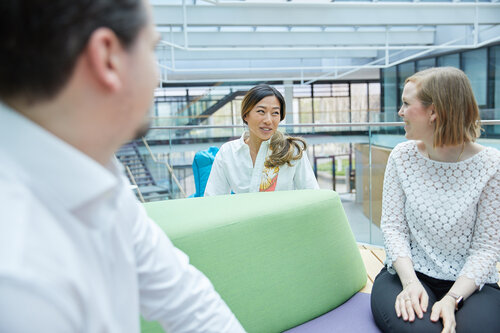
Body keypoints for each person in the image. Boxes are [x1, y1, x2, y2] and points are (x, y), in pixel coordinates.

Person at [0, 1, 245, 332]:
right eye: (152, 48)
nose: (157, 76)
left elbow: (189, 303)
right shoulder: (19, 275)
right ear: (108, 57)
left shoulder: (97, 174)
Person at [370, 67, 500, 333]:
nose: (400, 112)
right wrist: (409, 283)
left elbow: (487, 248)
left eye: (407, 103)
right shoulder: (401, 157)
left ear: (434, 112)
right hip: (405, 274)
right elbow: (393, 228)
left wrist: (452, 298)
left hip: (471, 285)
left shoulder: (491, 165)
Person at [204, 84, 319, 196]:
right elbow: (213, 198)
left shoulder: (292, 151)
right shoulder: (228, 152)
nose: (268, 120)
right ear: (245, 115)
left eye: (275, 113)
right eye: (261, 111)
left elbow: (313, 195)